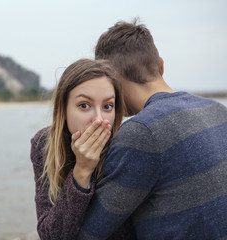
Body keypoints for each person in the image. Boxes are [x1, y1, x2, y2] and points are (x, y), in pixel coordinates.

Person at [77, 19, 227, 240]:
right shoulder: (217, 110)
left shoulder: (141, 131)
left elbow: (90, 232)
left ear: (111, 80)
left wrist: (80, 170)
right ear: (161, 65)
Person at [30, 59, 136, 239]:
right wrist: (82, 171)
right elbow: (50, 235)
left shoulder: (126, 147)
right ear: (63, 108)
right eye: (84, 105)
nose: (98, 119)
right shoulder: (43, 144)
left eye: (107, 106)